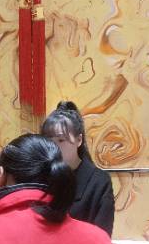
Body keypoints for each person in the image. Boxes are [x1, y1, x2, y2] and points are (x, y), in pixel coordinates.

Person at [41, 100, 115, 235]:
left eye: (61, 140)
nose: (53, 147)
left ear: (79, 140)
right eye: (48, 141)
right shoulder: (40, 176)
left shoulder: (98, 181)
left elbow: (102, 236)